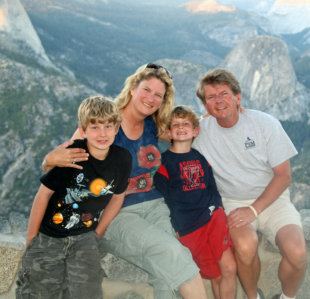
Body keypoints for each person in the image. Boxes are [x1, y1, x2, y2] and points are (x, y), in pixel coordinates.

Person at [41, 64, 207, 299]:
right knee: (171, 253)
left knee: (167, 270)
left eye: (158, 95)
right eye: (146, 90)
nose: (150, 98)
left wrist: (211, 119)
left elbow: (182, 131)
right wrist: (49, 161)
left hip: (155, 207)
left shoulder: (152, 124)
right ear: (132, 89)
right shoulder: (107, 123)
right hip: (117, 214)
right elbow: (63, 158)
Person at [193, 68, 307, 299]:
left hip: (273, 200)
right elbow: (164, 132)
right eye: (211, 98)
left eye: (224, 94)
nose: (219, 101)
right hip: (232, 202)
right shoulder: (199, 131)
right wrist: (196, 119)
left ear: (238, 97)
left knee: (297, 252)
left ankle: (286, 297)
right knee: (245, 247)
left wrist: (254, 209)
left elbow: (284, 175)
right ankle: (254, 297)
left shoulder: (264, 123)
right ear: (205, 105)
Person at [16, 96, 132, 298]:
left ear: (117, 128)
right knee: (38, 290)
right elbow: (43, 195)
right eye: (94, 127)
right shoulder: (73, 154)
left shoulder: (122, 159)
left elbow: (117, 197)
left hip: (84, 237)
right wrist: (31, 240)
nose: (102, 133)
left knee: (87, 291)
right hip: (49, 236)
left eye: (107, 126)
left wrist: (97, 234)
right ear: (83, 129)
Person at [154, 105, 237, 299]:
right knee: (215, 274)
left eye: (186, 124)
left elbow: (212, 187)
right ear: (168, 132)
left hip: (212, 220)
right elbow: (164, 199)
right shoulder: (164, 163)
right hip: (189, 228)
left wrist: (218, 209)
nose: (181, 127)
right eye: (176, 124)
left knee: (229, 268)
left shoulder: (200, 158)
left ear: (195, 131)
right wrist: (175, 227)